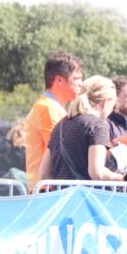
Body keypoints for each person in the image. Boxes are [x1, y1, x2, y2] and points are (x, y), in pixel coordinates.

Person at [38, 76, 126, 183]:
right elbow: (97, 173)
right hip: (85, 197)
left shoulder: (60, 125)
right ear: (104, 102)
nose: (113, 110)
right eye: (114, 105)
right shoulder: (98, 125)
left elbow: (44, 173)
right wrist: (120, 178)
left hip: (61, 197)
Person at [26, 51, 84, 189]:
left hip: (49, 190)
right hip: (46, 191)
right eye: (77, 79)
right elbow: (62, 153)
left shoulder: (52, 107)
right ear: (59, 80)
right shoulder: (47, 108)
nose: (81, 84)